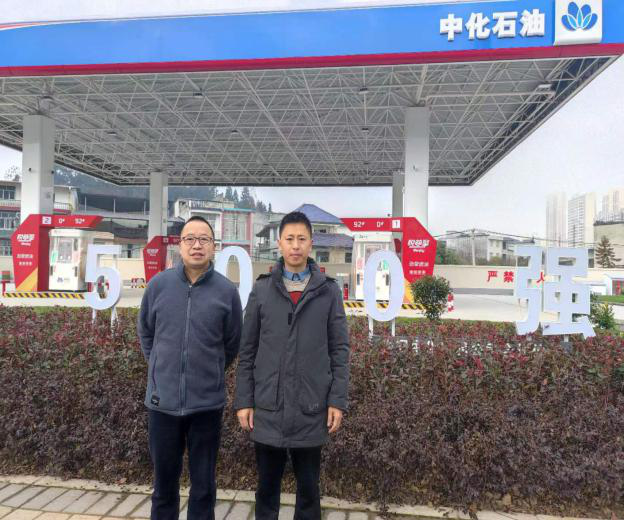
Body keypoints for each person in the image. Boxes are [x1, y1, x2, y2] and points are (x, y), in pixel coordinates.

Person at [234, 211, 350, 520]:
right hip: (268, 407)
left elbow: (340, 349)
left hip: (311, 407)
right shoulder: (262, 290)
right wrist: (244, 401)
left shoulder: (328, 291)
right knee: (266, 489)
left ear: (311, 243)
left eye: (301, 239)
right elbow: (248, 350)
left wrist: (337, 400)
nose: (295, 245)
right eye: (289, 239)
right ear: (279, 243)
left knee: (309, 491)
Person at [138, 215, 243, 520]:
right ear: (180, 245)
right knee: (163, 487)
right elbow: (146, 334)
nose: (197, 245)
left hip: (206, 406)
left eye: (204, 239)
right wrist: (161, 367)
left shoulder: (226, 292)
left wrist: (210, 370)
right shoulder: (158, 286)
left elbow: (232, 343)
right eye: (190, 239)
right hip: (162, 404)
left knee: (203, 488)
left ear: (213, 246)